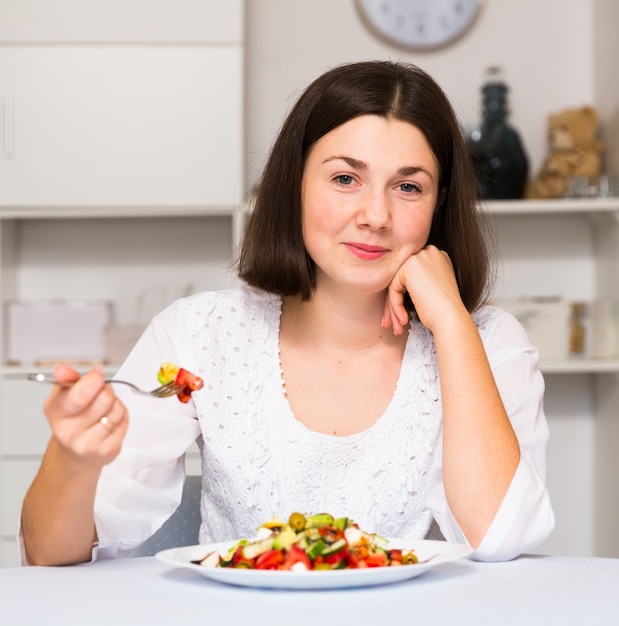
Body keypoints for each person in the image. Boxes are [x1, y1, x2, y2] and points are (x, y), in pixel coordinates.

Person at [20, 60, 554, 566]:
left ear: (438, 207)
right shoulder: (198, 336)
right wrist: (74, 457)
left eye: (408, 187)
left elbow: (499, 539)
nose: (375, 216)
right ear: (294, 184)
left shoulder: (489, 341)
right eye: (345, 178)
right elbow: (47, 553)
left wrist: (455, 322)